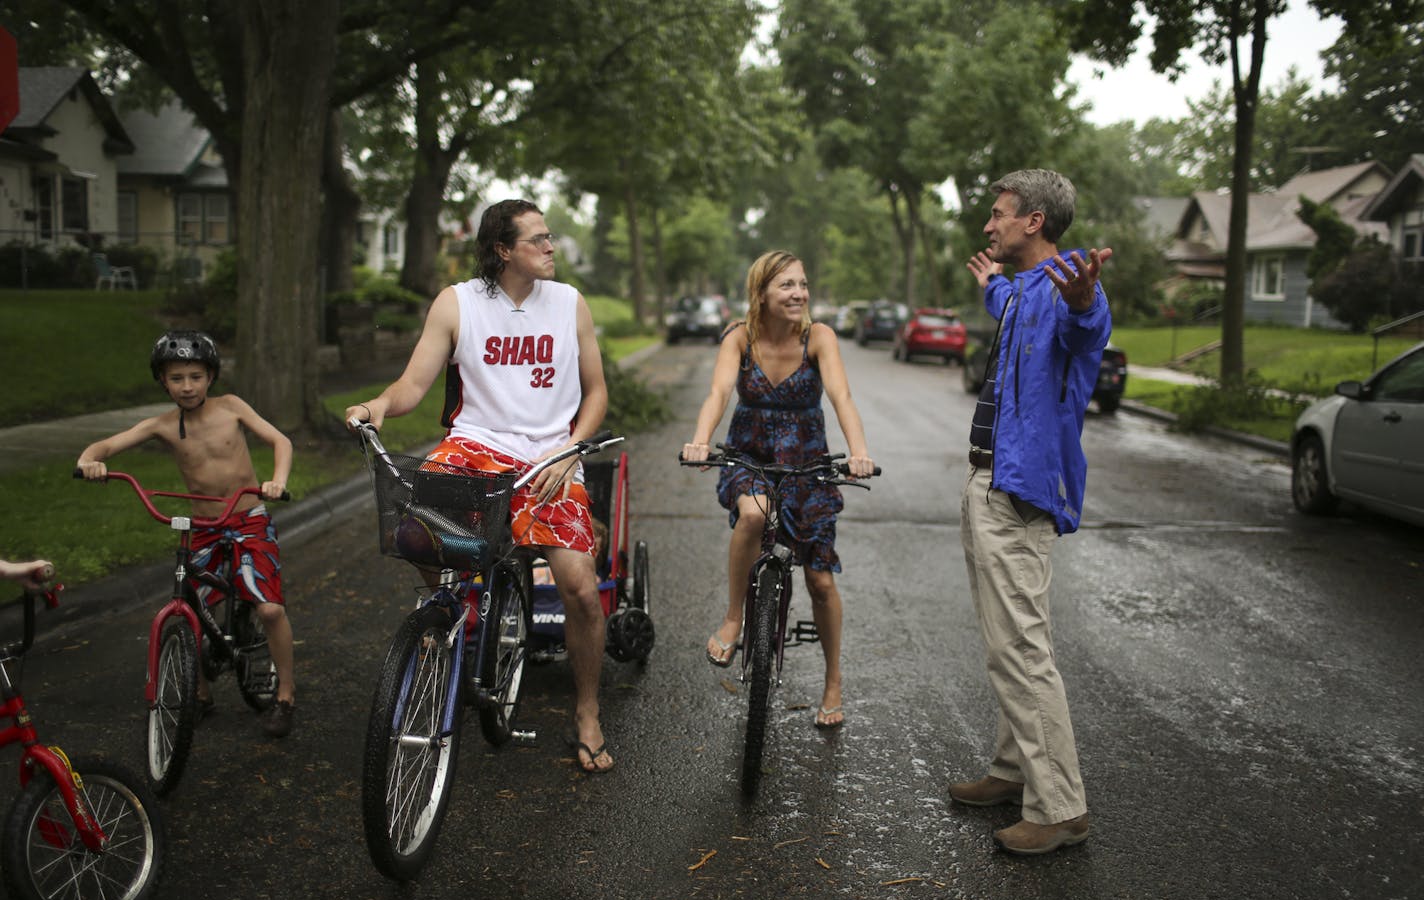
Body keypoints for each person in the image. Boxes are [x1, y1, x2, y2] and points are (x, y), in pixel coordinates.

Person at [345, 199, 615, 773]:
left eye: (550, 237)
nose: (550, 247)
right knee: (415, 522)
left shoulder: (569, 304)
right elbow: (412, 385)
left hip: (550, 455)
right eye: (538, 240)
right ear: (502, 250)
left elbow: (596, 394)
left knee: (581, 588)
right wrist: (376, 406)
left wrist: (570, 452)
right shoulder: (459, 302)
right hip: (475, 446)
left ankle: (587, 711)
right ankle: (454, 611)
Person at [952, 169, 1112, 855]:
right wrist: (988, 282)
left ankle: (1060, 806)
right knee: (1008, 638)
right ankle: (1014, 770)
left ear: (1035, 220)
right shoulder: (1019, 291)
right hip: (988, 480)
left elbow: (1084, 326)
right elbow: (1006, 300)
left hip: (1018, 492)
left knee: (1020, 647)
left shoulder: (1071, 291)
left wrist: (1085, 300)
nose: (989, 226)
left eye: (999, 215)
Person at [682, 250, 875, 729]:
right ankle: (733, 618)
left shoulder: (819, 338)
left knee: (820, 581)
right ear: (762, 292)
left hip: (807, 464)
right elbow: (718, 393)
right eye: (787, 285)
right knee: (753, 515)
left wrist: (858, 451)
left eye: (803, 284)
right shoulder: (739, 338)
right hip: (750, 457)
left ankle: (833, 681)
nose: (799, 294)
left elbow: (842, 397)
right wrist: (702, 441)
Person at [77, 331, 298, 738]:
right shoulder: (161, 425)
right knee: (191, 606)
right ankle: (199, 693)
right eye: (176, 377)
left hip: (248, 515)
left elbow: (279, 441)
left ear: (210, 376)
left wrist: (276, 481)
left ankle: (285, 695)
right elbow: (107, 445)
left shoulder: (231, 407)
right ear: (163, 381)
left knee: (268, 608)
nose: (187, 386)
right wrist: (90, 459)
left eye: (195, 376)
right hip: (204, 526)